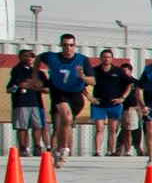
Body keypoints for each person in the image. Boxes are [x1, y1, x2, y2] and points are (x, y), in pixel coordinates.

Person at [37, 34, 92, 165]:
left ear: (75, 46)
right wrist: (34, 75)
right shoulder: (52, 57)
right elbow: (38, 58)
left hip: (75, 96)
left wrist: (83, 77)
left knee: (65, 124)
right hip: (59, 93)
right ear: (61, 45)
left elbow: (93, 81)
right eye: (65, 45)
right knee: (66, 119)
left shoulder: (82, 60)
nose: (68, 48)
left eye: (71, 45)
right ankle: (64, 150)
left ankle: (59, 148)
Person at [86, 48, 136, 157]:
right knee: (99, 128)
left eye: (108, 57)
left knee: (112, 129)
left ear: (112, 58)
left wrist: (122, 97)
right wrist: (89, 97)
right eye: (104, 57)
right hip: (98, 104)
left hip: (114, 104)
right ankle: (98, 151)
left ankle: (111, 151)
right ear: (100, 58)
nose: (106, 59)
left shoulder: (118, 71)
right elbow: (82, 84)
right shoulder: (94, 71)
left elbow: (130, 83)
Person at [8, 55, 50, 156]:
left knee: (38, 126)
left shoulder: (40, 73)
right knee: (22, 127)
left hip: (36, 103)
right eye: (26, 56)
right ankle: (23, 148)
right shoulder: (16, 71)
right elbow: (10, 89)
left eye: (32, 57)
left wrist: (35, 86)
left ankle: (37, 147)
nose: (29, 59)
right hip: (21, 103)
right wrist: (18, 86)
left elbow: (47, 89)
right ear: (20, 57)